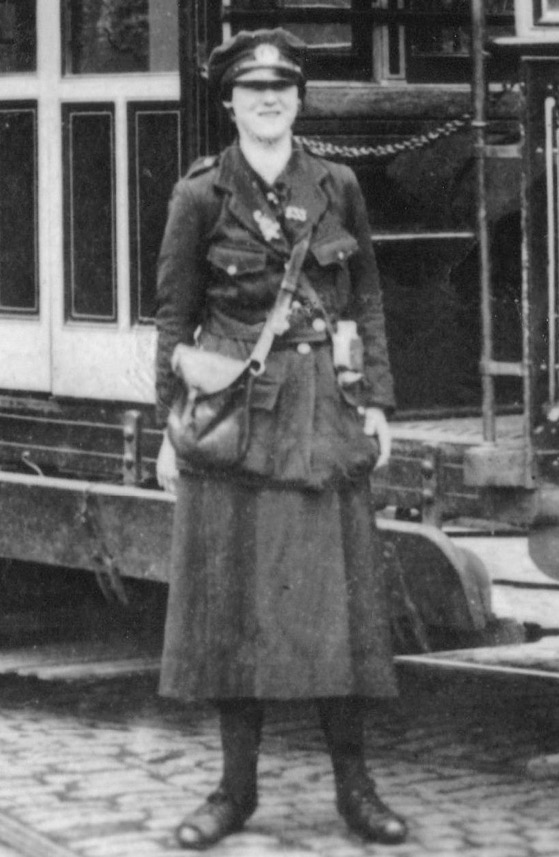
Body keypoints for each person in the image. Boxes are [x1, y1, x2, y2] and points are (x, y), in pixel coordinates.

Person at [155, 27, 407, 850]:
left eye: (282, 90)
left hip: (324, 417)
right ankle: (234, 790)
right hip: (236, 428)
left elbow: (366, 295)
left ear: (298, 101)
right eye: (252, 90)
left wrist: (377, 402)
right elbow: (173, 320)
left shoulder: (336, 185)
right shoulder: (200, 194)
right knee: (232, 611)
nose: (268, 101)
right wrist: (168, 428)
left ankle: (356, 789)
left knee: (340, 610)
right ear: (229, 103)